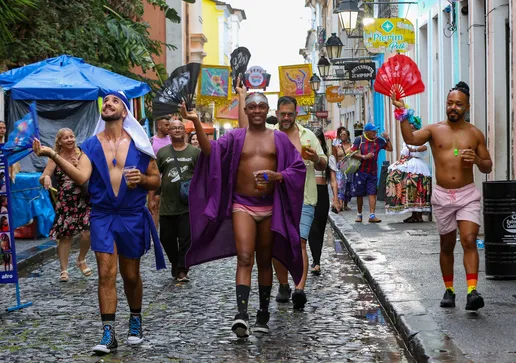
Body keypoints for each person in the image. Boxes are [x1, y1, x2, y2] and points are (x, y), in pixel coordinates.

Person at [33, 91, 166, 354]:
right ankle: (108, 334)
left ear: (124, 112)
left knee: (130, 275)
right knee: (106, 273)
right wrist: (52, 154)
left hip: (131, 215)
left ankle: (135, 319)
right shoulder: (90, 145)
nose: (108, 103)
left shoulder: (140, 144)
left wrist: (143, 179)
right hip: (103, 215)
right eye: (105, 101)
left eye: (114, 101)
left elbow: (157, 180)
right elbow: (82, 177)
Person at [184, 91, 306, 338]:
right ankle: (241, 315)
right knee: (244, 257)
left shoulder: (280, 139)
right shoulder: (235, 137)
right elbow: (210, 151)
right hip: (242, 205)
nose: (258, 110)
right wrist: (196, 121)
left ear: (267, 109)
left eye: (262, 106)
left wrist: (278, 176)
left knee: (264, 260)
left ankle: (262, 313)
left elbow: (298, 168)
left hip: (271, 207)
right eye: (253, 106)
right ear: (247, 111)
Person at [393, 81, 492, 311]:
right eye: (450, 103)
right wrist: (402, 113)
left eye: (458, 104)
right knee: (447, 245)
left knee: (468, 239)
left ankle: (472, 291)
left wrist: (477, 161)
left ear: (466, 107)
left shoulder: (475, 134)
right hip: (443, 195)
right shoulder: (434, 130)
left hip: (467, 194)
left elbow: (487, 165)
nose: (453, 108)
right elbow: (411, 139)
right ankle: (449, 290)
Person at [238, 88, 327, 309]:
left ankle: (299, 288)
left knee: (300, 242)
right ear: (276, 114)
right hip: (276, 198)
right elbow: (243, 133)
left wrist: (316, 158)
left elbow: (324, 164)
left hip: (305, 197)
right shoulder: (269, 135)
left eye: (290, 114)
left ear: (296, 114)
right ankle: (284, 284)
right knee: (278, 242)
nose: (286, 117)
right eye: (282, 114)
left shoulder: (308, 136)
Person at [39, 128, 92, 282]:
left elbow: (86, 176)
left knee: (87, 232)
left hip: (83, 199)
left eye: (72, 137)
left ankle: (81, 259)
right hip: (65, 201)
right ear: (59, 142)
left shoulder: (81, 155)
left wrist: (77, 166)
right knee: (65, 236)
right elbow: (44, 175)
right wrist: (46, 179)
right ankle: (64, 270)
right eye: (66, 138)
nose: (70, 140)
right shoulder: (55, 157)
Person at [154, 120, 200, 282]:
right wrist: (154, 195)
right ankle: (176, 262)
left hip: (188, 204)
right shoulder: (163, 152)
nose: (177, 130)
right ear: (170, 131)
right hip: (167, 204)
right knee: (166, 238)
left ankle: (182, 269)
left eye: (180, 128)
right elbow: (156, 175)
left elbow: (203, 175)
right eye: (173, 128)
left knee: (186, 238)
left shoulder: (195, 152)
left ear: (185, 131)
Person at [385, 114, 432, 222]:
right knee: (407, 186)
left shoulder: (420, 136)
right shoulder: (407, 137)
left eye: (410, 123)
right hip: (407, 163)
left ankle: (418, 214)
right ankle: (412, 212)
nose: (409, 125)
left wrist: (414, 150)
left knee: (415, 188)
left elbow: (424, 147)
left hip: (417, 166)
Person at [308, 128, 339, 275]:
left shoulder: (328, 158)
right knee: (311, 228)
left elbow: (333, 181)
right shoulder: (304, 156)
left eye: (318, 139)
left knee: (319, 228)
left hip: (322, 193)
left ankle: (317, 260)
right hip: (308, 192)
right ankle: (314, 261)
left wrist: (336, 199)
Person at [350, 123, 393, 223]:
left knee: (372, 192)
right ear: (367, 132)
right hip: (360, 171)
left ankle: (372, 215)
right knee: (359, 194)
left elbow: (390, 149)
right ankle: (359, 215)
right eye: (373, 131)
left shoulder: (378, 140)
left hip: (373, 171)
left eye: (376, 131)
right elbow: (351, 153)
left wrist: (387, 138)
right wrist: (364, 157)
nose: (375, 133)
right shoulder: (359, 140)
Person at [149, 115, 172, 227]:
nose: (169, 127)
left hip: (170, 179)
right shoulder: (151, 141)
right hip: (156, 180)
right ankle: (154, 235)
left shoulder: (173, 139)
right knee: (154, 207)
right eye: (166, 125)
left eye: (169, 125)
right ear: (159, 126)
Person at [332, 127, 353, 211]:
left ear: (348, 136)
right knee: (340, 185)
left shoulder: (351, 146)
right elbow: (334, 158)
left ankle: (345, 204)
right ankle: (340, 204)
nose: (342, 136)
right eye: (341, 134)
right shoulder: (337, 146)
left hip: (349, 168)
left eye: (344, 134)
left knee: (348, 185)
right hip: (340, 168)